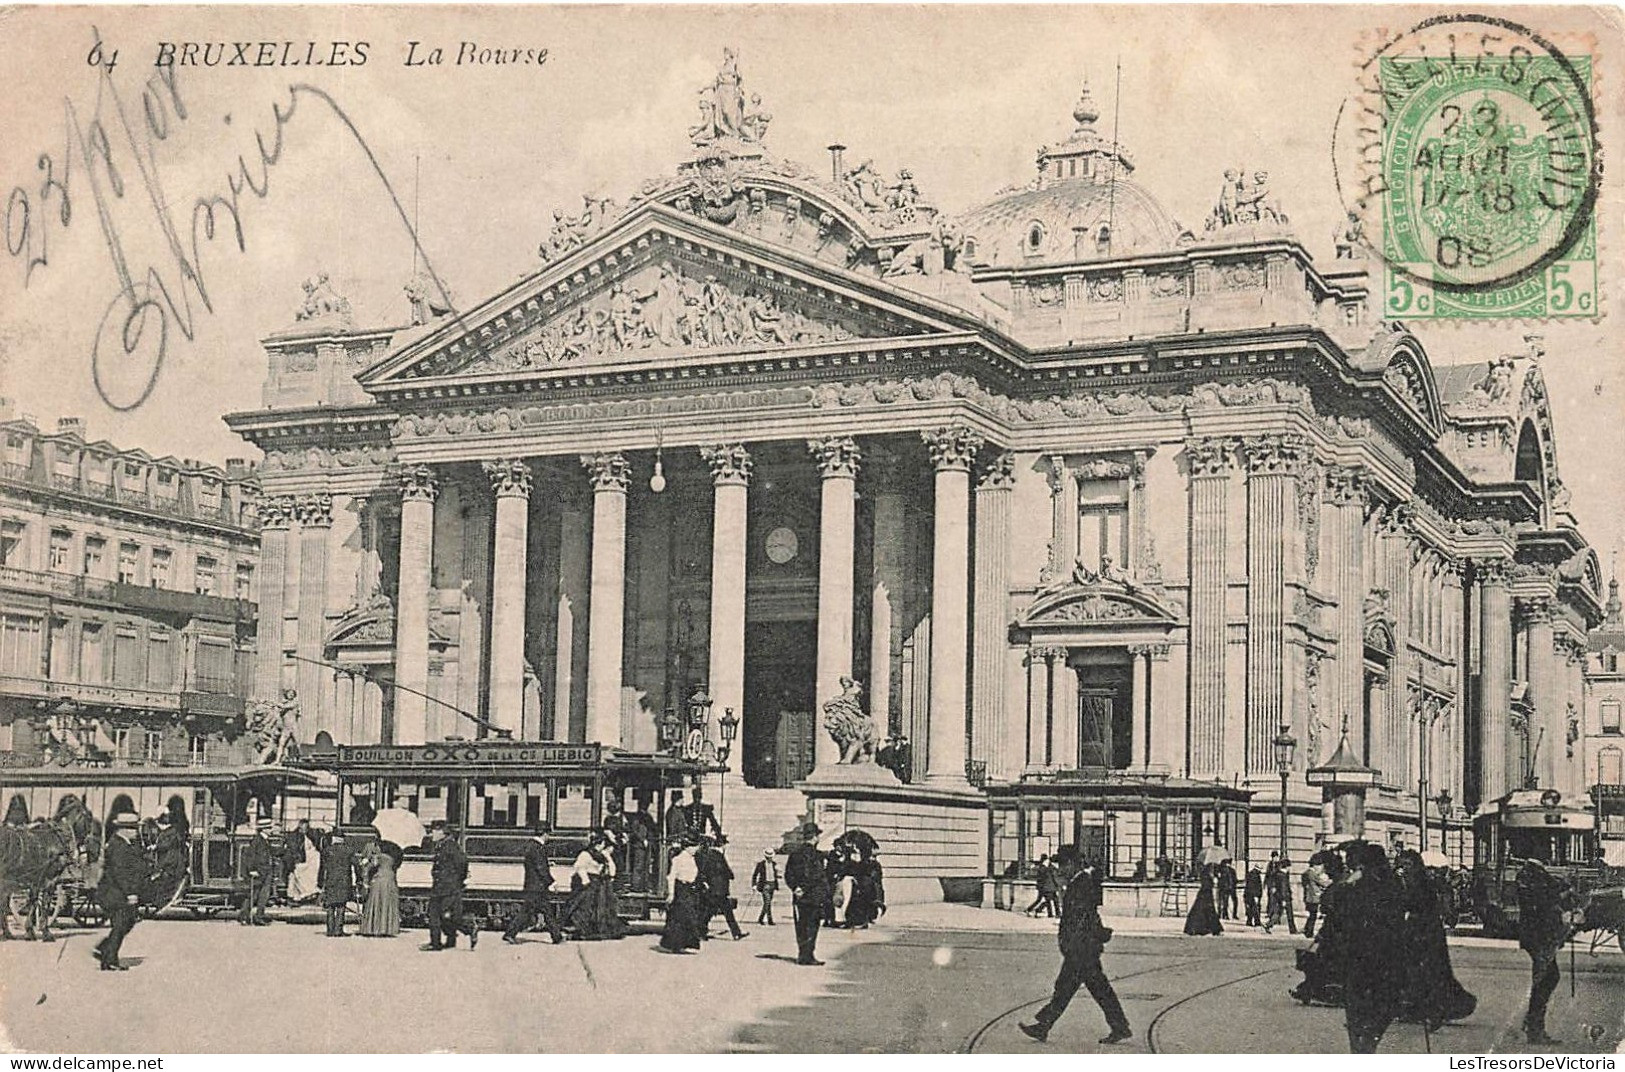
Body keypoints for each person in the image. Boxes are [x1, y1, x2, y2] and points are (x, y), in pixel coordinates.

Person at [1020, 853, 1132, 1045]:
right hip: (1083, 947)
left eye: (1063, 864)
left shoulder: (1081, 882)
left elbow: (1083, 916)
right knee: (1087, 988)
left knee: (1070, 988)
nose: (1060, 869)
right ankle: (1119, 1026)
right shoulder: (1079, 881)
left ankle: (1043, 1026)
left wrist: (1072, 944)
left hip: (1081, 948)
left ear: (1072, 863)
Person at [1394, 849, 1475, 1029]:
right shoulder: (1410, 881)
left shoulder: (1422, 883)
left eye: (1408, 865)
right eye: (1402, 865)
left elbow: (1413, 902)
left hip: (1425, 929)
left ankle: (1434, 1009)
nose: (1404, 868)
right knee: (1414, 970)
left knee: (1429, 970)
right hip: (1416, 928)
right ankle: (1415, 1008)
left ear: (1416, 866)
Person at [1338, 841, 1405, 1053]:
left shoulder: (1359, 883)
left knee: (1358, 1005)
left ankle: (1361, 1046)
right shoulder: (1393, 881)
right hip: (1388, 953)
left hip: (1361, 953)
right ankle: (1368, 1043)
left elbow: (1340, 911)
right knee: (1381, 1004)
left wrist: (1348, 883)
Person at [1517, 858, 1578, 1045]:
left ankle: (1532, 1021)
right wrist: (1565, 893)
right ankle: (1535, 1029)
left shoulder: (1529, 873)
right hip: (1540, 937)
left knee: (1547, 977)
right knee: (1546, 978)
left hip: (1536, 936)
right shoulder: (1533, 874)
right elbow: (1543, 902)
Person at [94, 812, 146, 971]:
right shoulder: (119, 846)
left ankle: (106, 950)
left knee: (125, 923)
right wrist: (130, 893)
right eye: (134, 829)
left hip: (117, 892)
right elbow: (120, 873)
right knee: (121, 923)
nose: (136, 832)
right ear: (124, 830)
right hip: (114, 893)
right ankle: (109, 959)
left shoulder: (124, 843)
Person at [504, 823, 563, 944]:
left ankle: (557, 936)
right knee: (544, 912)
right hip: (537, 887)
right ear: (545, 834)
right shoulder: (537, 847)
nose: (549, 837)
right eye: (549, 834)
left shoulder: (532, 846)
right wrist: (552, 881)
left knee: (535, 912)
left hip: (534, 886)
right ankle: (557, 937)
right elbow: (540, 868)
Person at [424, 820, 479, 951]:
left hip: (448, 886)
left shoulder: (450, 846)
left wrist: (458, 880)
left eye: (433, 831)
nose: (431, 834)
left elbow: (462, 863)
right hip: (441, 885)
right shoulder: (443, 844)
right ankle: (444, 941)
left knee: (437, 915)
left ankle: (468, 929)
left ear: (441, 832)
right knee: (437, 915)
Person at [565, 831, 626, 940]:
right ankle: (581, 930)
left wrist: (608, 860)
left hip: (597, 882)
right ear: (597, 844)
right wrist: (585, 880)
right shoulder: (586, 854)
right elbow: (579, 867)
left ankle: (594, 929)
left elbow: (612, 868)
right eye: (602, 844)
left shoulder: (600, 855)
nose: (603, 846)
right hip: (587, 882)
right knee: (584, 907)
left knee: (598, 907)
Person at [784, 821, 829, 966]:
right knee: (812, 925)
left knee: (801, 924)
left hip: (799, 896)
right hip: (813, 895)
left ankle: (802, 954)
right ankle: (808, 956)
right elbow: (814, 875)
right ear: (815, 837)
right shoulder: (816, 855)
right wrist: (805, 887)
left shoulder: (795, 854)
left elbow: (788, 874)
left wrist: (795, 888)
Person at [659, 833, 706, 954]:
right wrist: (671, 893)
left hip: (689, 889)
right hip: (681, 889)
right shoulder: (678, 859)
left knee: (687, 916)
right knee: (681, 916)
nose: (696, 849)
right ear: (688, 847)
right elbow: (671, 877)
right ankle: (675, 944)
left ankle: (682, 944)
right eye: (694, 847)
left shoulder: (692, 859)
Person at [698, 835, 748, 940]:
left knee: (714, 911)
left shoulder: (710, 854)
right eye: (725, 845)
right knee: (716, 912)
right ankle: (736, 933)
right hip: (718, 889)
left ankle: (736, 933)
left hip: (716, 889)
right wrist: (731, 875)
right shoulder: (717, 855)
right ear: (722, 845)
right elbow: (724, 870)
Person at [319, 829, 359, 938]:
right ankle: (338, 930)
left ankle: (330, 930)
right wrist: (359, 879)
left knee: (330, 906)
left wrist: (320, 882)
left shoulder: (327, 851)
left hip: (330, 880)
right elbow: (357, 866)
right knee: (341, 905)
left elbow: (322, 869)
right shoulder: (349, 850)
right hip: (344, 881)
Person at [359, 840, 401, 938]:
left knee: (377, 902)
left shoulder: (379, 857)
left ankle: (374, 928)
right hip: (390, 880)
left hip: (380, 880)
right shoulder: (393, 858)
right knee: (388, 904)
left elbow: (372, 865)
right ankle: (387, 928)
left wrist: (364, 866)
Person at [240, 818, 274, 926]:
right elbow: (250, 856)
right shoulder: (257, 840)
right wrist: (252, 870)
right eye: (269, 828)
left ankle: (259, 916)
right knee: (253, 895)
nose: (271, 830)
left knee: (263, 896)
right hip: (259, 871)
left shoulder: (265, 840)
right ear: (264, 829)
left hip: (266, 871)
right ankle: (244, 916)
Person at [150, 810, 188, 908]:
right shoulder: (172, 831)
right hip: (173, 859)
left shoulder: (170, 832)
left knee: (165, 879)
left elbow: (166, 845)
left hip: (172, 860)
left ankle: (163, 901)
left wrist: (155, 847)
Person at [627, 799, 659, 893]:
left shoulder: (646, 816)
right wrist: (642, 840)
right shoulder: (638, 818)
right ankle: (637, 886)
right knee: (639, 866)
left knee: (645, 865)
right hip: (639, 845)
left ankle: (643, 886)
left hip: (646, 844)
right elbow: (635, 831)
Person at [1183, 863, 1223, 936]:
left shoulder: (1207, 874)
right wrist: (1213, 880)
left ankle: (1201, 929)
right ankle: (1210, 930)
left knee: (1204, 912)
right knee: (1205, 912)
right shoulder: (1206, 875)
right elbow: (1206, 885)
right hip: (1205, 895)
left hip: (1206, 895)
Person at [1302, 856, 1332, 938]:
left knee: (1312, 915)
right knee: (1313, 915)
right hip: (1313, 897)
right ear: (1314, 865)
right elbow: (1321, 882)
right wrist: (1331, 883)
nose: (1319, 867)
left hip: (1309, 897)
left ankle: (1307, 929)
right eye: (1319, 865)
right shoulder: (1312, 874)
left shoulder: (1306, 873)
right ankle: (1309, 932)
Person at [1266, 855, 1298, 934]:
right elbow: (1284, 888)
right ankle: (1293, 930)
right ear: (1287, 867)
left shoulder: (1278, 874)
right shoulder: (1283, 876)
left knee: (1278, 913)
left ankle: (1269, 924)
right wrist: (1284, 899)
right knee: (1289, 915)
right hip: (1285, 898)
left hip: (1279, 897)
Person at [281, 818, 311, 902]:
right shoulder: (294, 836)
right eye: (306, 827)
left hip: (294, 860)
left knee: (293, 878)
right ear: (301, 826)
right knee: (293, 877)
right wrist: (298, 859)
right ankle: (292, 896)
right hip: (291, 860)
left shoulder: (300, 835)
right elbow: (294, 849)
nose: (307, 829)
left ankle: (295, 896)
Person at [752, 848, 780, 926]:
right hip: (765, 885)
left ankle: (767, 919)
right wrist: (754, 885)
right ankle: (763, 919)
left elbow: (775, 874)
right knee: (767, 902)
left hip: (772, 884)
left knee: (768, 903)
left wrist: (777, 875)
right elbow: (755, 875)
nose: (770, 858)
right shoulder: (761, 864)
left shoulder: (774, 864)